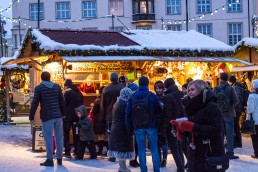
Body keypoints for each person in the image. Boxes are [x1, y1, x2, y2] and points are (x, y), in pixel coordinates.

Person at [171, 80, 225, 171]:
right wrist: (181, 129)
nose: (189, 92)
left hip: (210, 152)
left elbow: (217, 129)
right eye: (188, 90)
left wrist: (193, 127)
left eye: (192, 90)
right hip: (194, 153)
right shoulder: (190, 107)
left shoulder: (212, 106)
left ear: (201, 90)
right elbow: (191, 131)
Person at [29, 71, 65, 166]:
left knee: (48, 138)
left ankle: (49, 159)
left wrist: (31, 115)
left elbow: (35, 103)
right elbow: (62, 101)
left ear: (41, 78)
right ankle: (60, 159)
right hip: (58, 116)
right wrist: (63, 113)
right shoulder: (57, 87)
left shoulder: (39, 88)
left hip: (47, 116)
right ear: (49, 78)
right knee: (59, 138)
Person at [126, 76, 161, 172]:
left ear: (139, 84)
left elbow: (128, 113)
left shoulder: (132, 97)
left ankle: (143, 170)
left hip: (138, 126)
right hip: (152, 125)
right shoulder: (152, 96)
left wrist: (129, 127)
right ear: (148, 84)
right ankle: (156, 170)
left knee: (141, 150)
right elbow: (158, 111)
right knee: (154, 150)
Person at [107, 88, 135, 172]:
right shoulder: (125, 103)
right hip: (122, 129)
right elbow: (127, 116)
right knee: (122, 148)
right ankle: (122, 168)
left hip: (116, 128)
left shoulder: (118, 102)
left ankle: (123, 167)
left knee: (121, 148)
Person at [214, 73, 239, 159]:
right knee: (229, 134)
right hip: (229, 113)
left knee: (220, 133)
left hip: (218, 114)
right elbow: (236, 101)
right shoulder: (230, 88)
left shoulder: (216, 88)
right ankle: (229, 153)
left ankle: (220, 151)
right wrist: (230, 105)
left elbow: (213, 101)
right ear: (227, 79)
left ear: (220, 78)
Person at [162, 78, 185, 172]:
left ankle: (180, 168)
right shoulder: (181, 94)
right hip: (182, 123)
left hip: (172, 125)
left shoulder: (168, 97)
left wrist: (164, 126)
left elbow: (168, 114)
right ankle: (182, 165)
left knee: (174, 147)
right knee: (179, 145)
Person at [101, 72, 125, 162]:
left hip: (109, 115)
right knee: (122, 135)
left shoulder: (106, 89)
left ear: (110, 79)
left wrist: (103, 117)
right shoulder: (123, 88)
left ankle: (112, 156)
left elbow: (103, 105)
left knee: (110, 136)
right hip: (121, 115)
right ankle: (121, 154)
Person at [63, 79, 83, 157]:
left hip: (68, 117)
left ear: (67, 86)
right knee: (76, 133)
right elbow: (82, 106)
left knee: (66, 134)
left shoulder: (67, 93)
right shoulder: (80, 94)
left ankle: (67, 152)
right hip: (77, 117)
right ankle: (76, 151)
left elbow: (64, 105)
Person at [154, 81, 168, 168]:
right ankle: (159, 159)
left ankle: (165, 159)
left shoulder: (166, 98)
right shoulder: (154, 98)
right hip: (156, 122)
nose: (158, 90)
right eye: (157, 88)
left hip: (164, 122)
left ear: (163, 88)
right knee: (157, 142)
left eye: (160, 88)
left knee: (164, 142)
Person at [228, 75, 244, 149]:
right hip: (238, 109)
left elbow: (237, 100)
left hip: (236, 110)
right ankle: (238, 143)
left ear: (230, 81)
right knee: (236, 126)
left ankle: (236, 143)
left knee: (235, 126)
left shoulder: (236, 88)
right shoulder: (238, 86)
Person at [92, 86, 108, 156]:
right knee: (107, 136)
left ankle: (100, 151)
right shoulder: (108, 99)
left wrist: (92, 107)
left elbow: (94, 111)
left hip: (99, 120)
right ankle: (108, 150)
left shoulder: (97, 100)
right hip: (106, 119)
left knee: (100, 136)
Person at [127, 82, 140, 167]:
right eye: (134, 90)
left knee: (136, 144)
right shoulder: (128, 100)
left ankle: (134, 159)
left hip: (137, 125)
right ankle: (132, 160)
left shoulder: (135, 99)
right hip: (132, 126)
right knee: (133, 145)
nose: (136, 91)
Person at [246, 79, 258, 159]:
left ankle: (256, 153)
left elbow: (250, 109)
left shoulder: (252, 96)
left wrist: (246, 108)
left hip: (255, 120)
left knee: (255, 138)